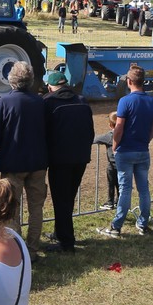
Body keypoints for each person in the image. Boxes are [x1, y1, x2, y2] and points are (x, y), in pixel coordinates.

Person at [0, 61, 48, 251]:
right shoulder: (40, 102)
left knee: (11, 208)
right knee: (36, 208)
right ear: (30, 80)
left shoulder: (3, 102)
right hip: (38, 161)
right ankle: (32, 248)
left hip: (13, 162)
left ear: (11, 80)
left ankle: (17, 250)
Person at [97, 66, 153, 238]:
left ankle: (116, 226)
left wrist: (115, 145)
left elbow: (119, 127)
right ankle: (143, 224)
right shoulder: (152, 101)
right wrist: (146, 140)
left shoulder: (125, 101)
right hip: (142, 150)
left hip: (125, 150)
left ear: (129, 82)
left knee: (125, 189)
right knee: (143, 189)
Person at [42, 69, 94, 252]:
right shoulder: (82, 100)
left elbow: (44, 131)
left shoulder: (47, 102)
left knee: (61, 200)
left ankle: (66, 242)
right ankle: (61, 232)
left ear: (50, 87)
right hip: (80, 157)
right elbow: (90, 130)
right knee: (69, 197)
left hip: (59, 159)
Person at [92, 111, 119, 211]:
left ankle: (110, 202)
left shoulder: (110, 136)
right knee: (120, 185)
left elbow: (95, 139)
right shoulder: (126, 133)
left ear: (110, 125)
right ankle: (119, 201)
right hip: (124, 164)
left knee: (111, 183)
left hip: (113, 165)